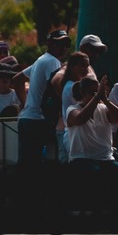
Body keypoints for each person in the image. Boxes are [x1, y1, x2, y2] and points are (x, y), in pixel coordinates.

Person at [19, 28, 70, 168]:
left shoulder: (40, 60)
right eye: (59, 44)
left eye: (66, 44)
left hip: (27, 118)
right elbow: (55, 85)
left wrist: (26, 104)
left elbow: (17, 79)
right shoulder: (52, 62)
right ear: (49, 44)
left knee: (27, 165)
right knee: (41, 166)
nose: (64, 48)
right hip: (39, 121)